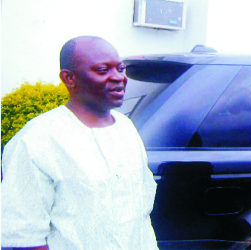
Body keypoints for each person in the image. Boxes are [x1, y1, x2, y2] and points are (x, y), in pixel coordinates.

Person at [1, 36, 159, 250]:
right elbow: (24, 236)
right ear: (69, 78)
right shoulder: (36, 140)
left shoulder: (125, 127)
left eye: (121, 68)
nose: (118, 78)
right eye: (103, 71)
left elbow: (138, 215)